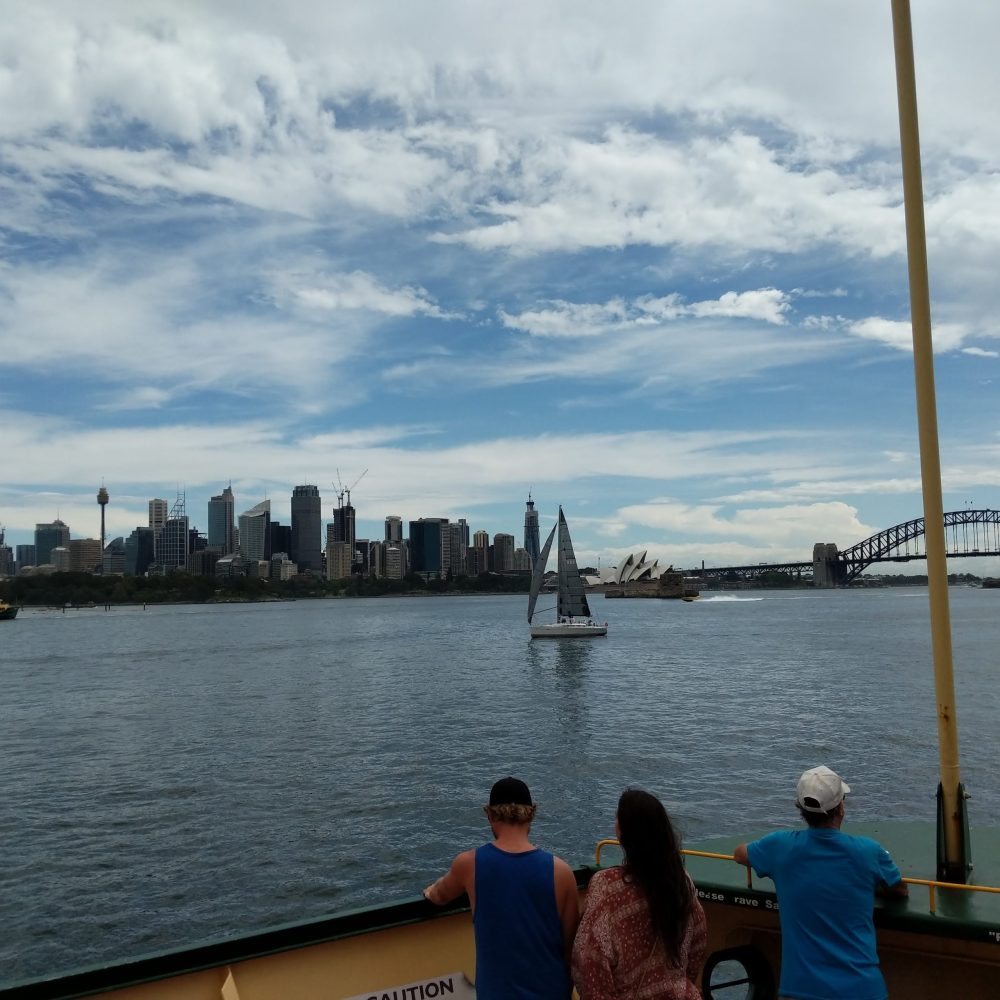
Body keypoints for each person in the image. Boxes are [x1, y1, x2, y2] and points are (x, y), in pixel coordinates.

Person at [733, 765, 908, 1000]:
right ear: (841, 808)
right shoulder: (869, 852)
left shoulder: (779, 846)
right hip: (862, 990)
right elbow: (899, 889)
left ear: (800, 809)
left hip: (801, 990)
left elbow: (740, 854)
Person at [422, 776, 579, 999]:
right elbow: (571, 948)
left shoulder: (469, 864)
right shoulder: (561, 872)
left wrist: (429, 891)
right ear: (531, 815)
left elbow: (439, 895)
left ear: (490, 815)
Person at [572, 788, 706, 999]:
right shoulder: (682, 882)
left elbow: (590, 959)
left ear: (624, 832)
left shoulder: (606, 886)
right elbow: (697, 944)